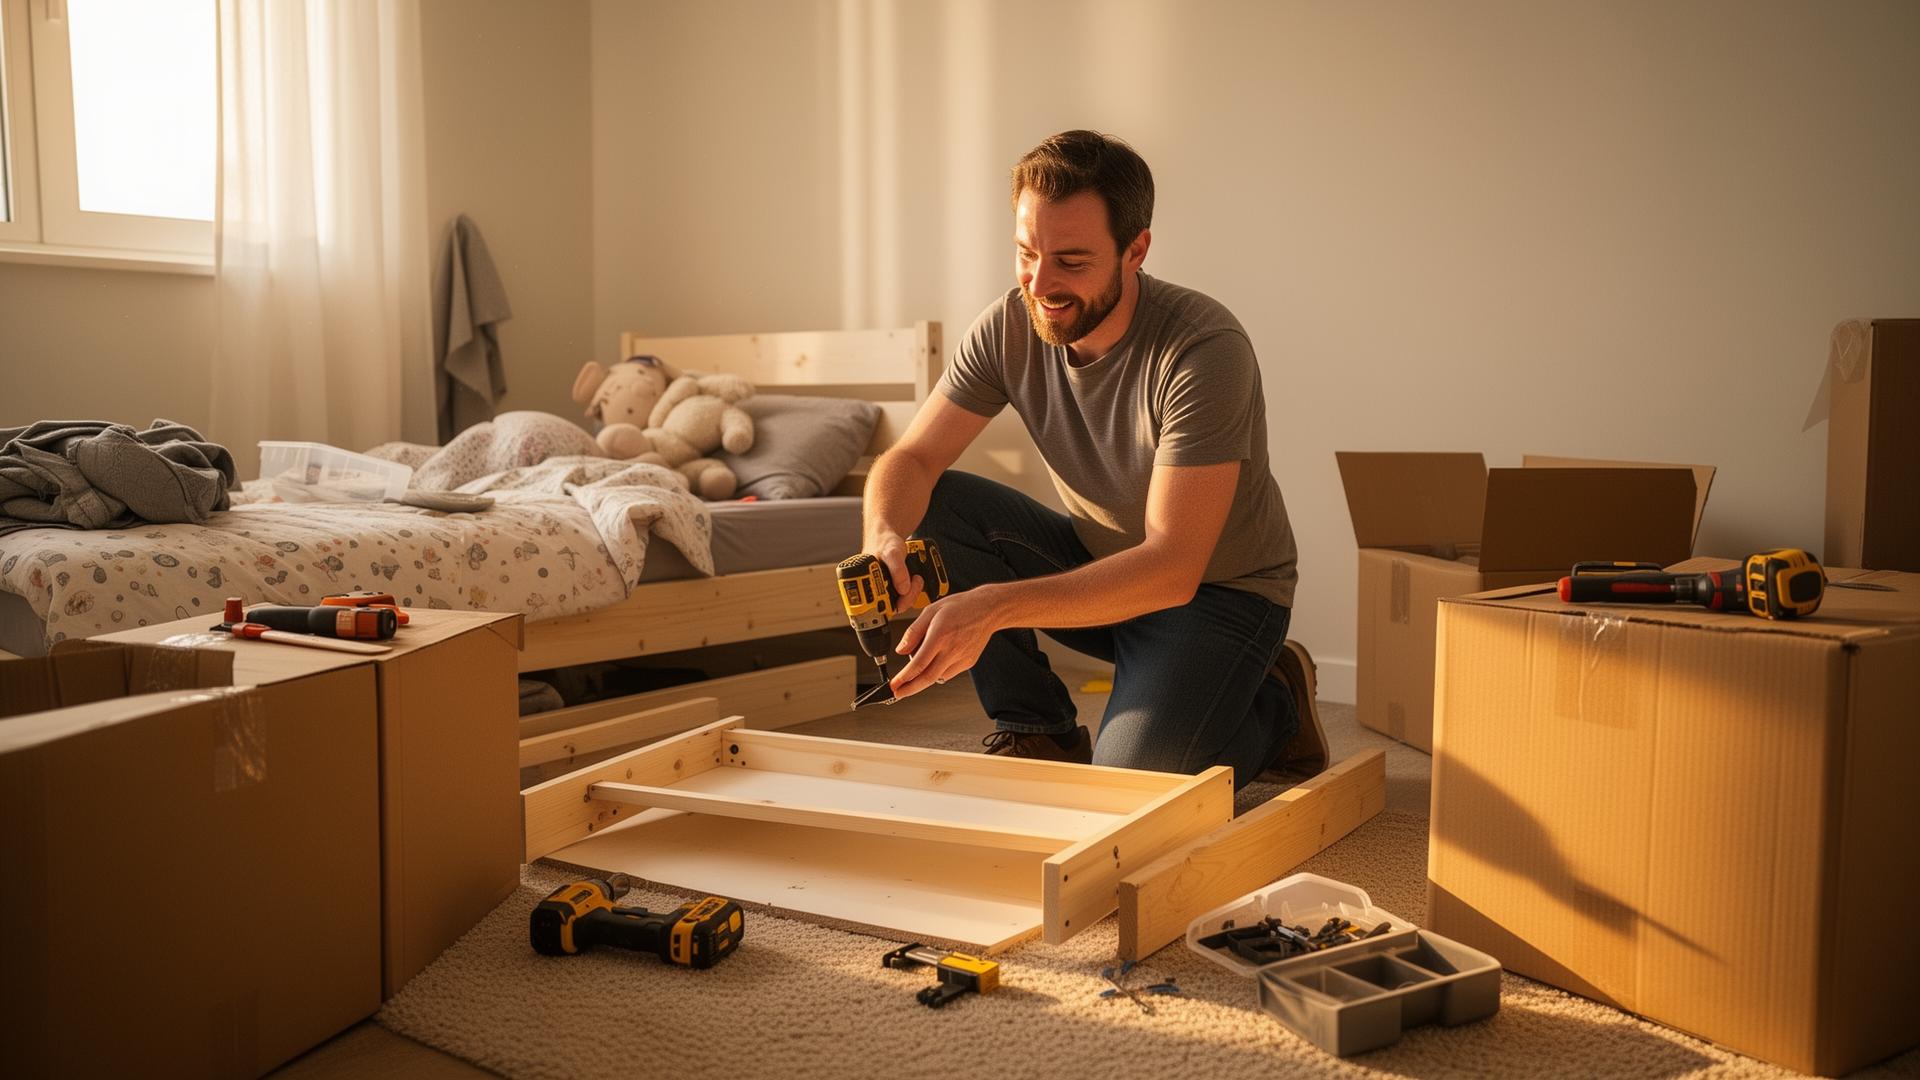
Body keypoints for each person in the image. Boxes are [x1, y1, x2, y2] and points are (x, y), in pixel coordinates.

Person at [860, 130, 1324, 788]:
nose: (1040, 284)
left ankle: (1274, 702)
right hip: (1103, 570)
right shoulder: (1008, 326)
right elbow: (911, 457)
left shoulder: (1203, 349)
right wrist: (885, 535)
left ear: (1136, 250)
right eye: (1026, 254)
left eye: (1072, 262)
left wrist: (990, 607)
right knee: (936, 502)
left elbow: (1171, 569)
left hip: (1219, 597)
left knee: (1125, 792)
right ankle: (1036, 728)